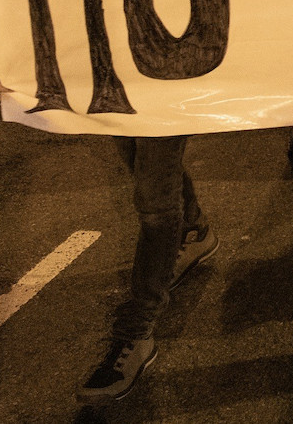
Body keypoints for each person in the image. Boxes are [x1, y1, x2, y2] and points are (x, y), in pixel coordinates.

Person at [74, 134, 220, 404]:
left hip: (167, 91)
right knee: (141, 162)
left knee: (156, 205)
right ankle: (192, 228)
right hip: (127, 90)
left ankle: (137, 329)